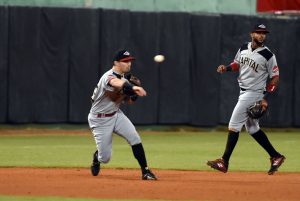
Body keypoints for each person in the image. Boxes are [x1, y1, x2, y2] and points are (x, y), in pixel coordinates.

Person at [207, 24, 285, 175]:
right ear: (252, 34)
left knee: (234, 125)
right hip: (243, 91)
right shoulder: (243, 47)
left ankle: (224, 161)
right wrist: (227, 68)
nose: (262, 35)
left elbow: (275, 77)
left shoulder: (268, 55)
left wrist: (264, 98)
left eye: (264, 33)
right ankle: (276, 156)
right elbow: (237, 64)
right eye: (259, 32)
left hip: (254, 93)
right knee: (252, 128)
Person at [88, 49, 157, 180]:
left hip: (115, 114)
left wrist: (133, 95)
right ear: (116, 63)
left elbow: (128, 101)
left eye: (130, 61)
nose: (129, 64)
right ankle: (97, 157)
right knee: (105, 158)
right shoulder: (108, 77)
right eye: (125, 61)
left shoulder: (125, 79)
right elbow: (115, 86)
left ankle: (145, 171)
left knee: (135, 138)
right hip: (99, 119)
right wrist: (132, 88)